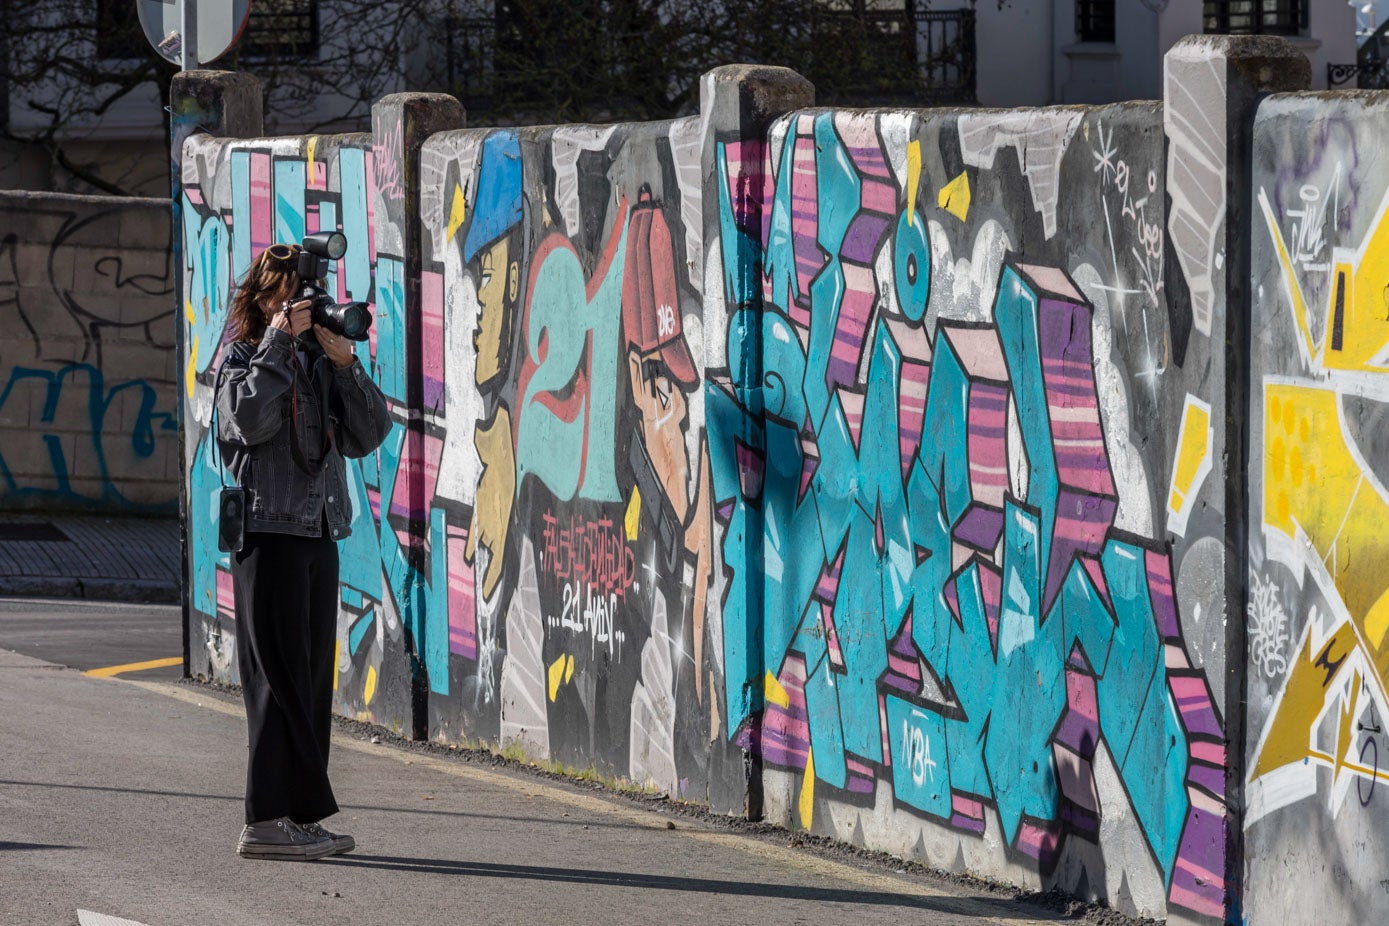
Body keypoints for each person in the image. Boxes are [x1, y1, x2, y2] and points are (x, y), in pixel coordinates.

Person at [214, 242, 391, 861]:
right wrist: (281, 343)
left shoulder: (316, 363)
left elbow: (368, 434)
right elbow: (248, 421)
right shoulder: (243, 358)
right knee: (275, 683)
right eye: (292, 302)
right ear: (266, 301)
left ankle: (299, 816)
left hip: (317, 533)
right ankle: (263, 820)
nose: (304, 314)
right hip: (267, 537)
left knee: (311, 683)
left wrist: (345, 365)